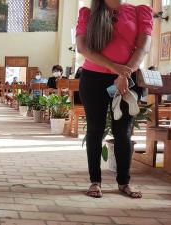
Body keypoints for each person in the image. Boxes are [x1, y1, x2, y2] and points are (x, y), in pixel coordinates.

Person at [76, 0, 152, 198]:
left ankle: (124, 182)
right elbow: (83, 48)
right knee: (95, 129)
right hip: (93, 78)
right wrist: (116, 68)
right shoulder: (88, 13)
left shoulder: (138, 11)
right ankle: (95, 181)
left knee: (123, 131)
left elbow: (143, 47)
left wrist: (123, 74)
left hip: (126, 78)